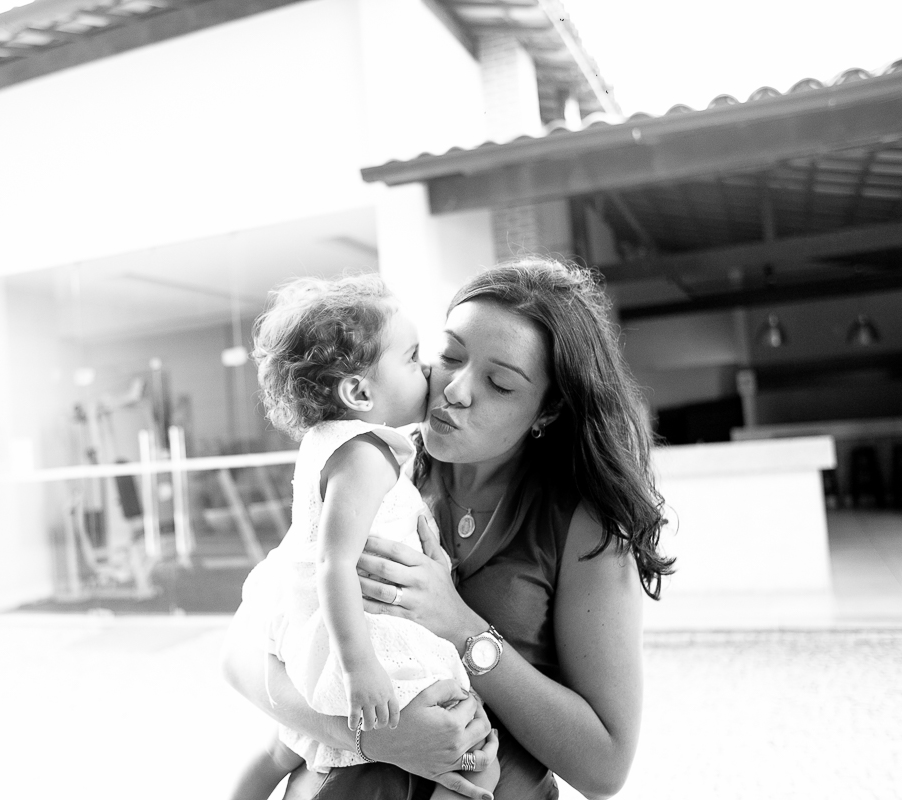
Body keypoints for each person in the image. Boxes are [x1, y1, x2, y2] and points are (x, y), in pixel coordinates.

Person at [223, 257, 674, 800]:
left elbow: (605, 768)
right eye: (449, 355)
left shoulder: (582, 526)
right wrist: (373, 738)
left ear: (548, 410)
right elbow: (243, 657)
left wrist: (460, 627)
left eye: (500, 383)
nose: (455, 390)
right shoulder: (375, 471)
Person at [229, 274, 500, 800]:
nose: (427, 369)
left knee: (282, 748)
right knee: (477, 766)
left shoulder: (329, 442)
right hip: (362, 631)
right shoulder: (367, 455)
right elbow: (335, 562)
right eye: (412, 356)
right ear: (358, 392)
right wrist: (361, 668)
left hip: (315, 625)